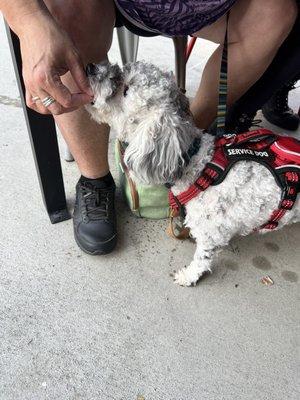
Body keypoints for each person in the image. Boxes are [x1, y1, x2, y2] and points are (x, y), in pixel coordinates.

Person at [0, 0, 297, 255]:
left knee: (276, 12)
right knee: (63, 11)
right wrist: (30, 21)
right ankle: (95, 179)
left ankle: (186, 144)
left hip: (209, 8)